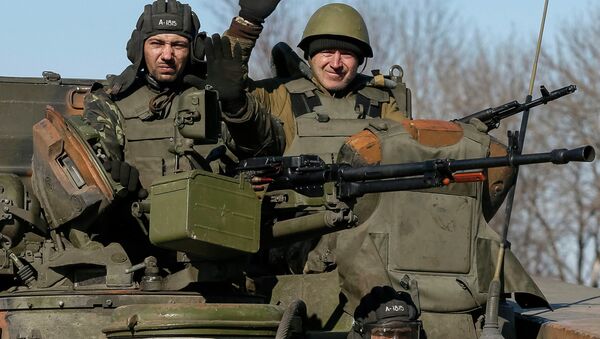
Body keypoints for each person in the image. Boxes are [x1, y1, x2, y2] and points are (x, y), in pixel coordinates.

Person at [83, 0, 281, 192]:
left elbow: (268, 149)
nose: (167, 55)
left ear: (194, 50)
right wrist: (115, 177)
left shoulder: (215, 95)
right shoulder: (111, 101)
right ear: (139, 48)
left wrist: (237, 106)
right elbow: (91, 167)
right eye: (157, 43)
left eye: (178, 45)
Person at [204, 3, 412, 161]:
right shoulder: (279, 95)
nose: (336, 63)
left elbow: (411, 149)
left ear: (360, 61)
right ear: (309, 57)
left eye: (347, 54)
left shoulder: (382, 102)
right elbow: (232, 88)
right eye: (327, 52)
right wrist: (248, 22)